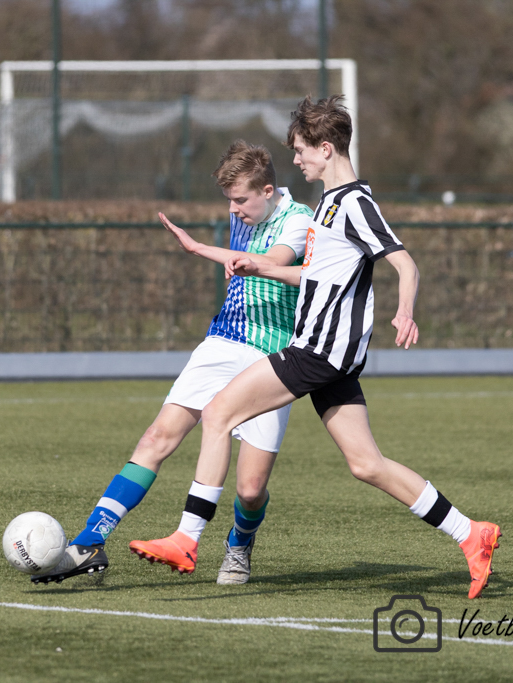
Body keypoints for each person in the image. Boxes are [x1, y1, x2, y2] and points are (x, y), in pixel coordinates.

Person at [129, 96, 502, 599]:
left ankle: (186, 539)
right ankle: (471, 533)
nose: (296, 159)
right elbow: (313, 277)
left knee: (217, 413)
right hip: (331, 357)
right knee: (366, 464)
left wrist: (405, 311)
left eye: (301, 150)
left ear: (326, 149)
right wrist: (250, 264)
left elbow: (405, 264)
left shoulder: (354, 204)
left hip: (319, 351)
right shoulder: (327, 204)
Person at [32, 140, 313, 586]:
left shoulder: (299, 220)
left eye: (241, 200)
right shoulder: (242, 211)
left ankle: (239, 542)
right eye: (229, 200)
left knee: (250, 490)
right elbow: (243, 256)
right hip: (223, 339)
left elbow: (274, 261)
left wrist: (204, 250)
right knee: (156, 436)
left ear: (267, 190)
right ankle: (89, 542)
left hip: (272, 355)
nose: (234, 210)